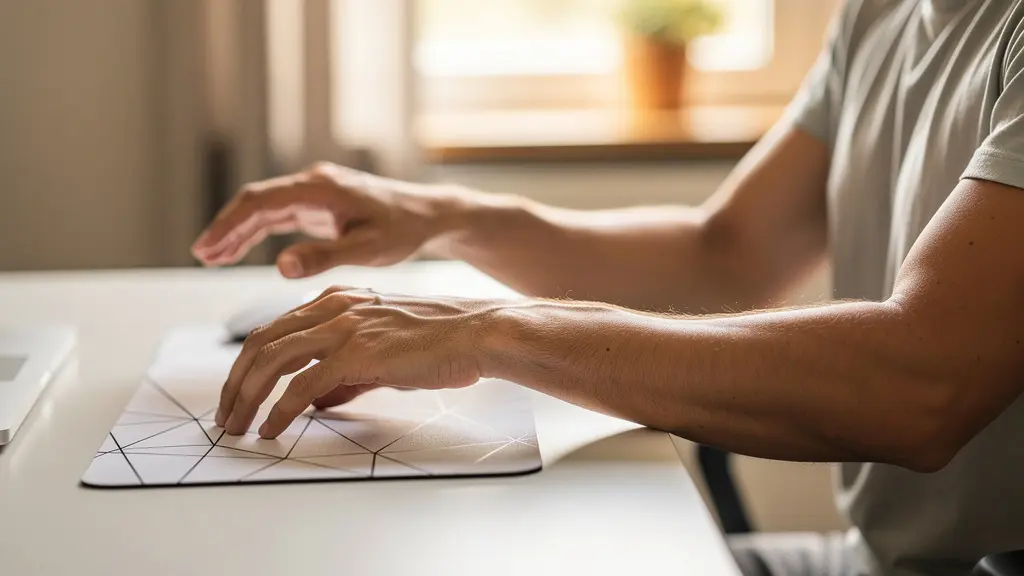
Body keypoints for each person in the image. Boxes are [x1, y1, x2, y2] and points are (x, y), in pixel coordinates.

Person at [191, 2, 1024, 575]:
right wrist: (445, 217)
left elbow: (921, 384)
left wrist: (491, 332)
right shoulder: (883, 14)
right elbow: (724, 258)